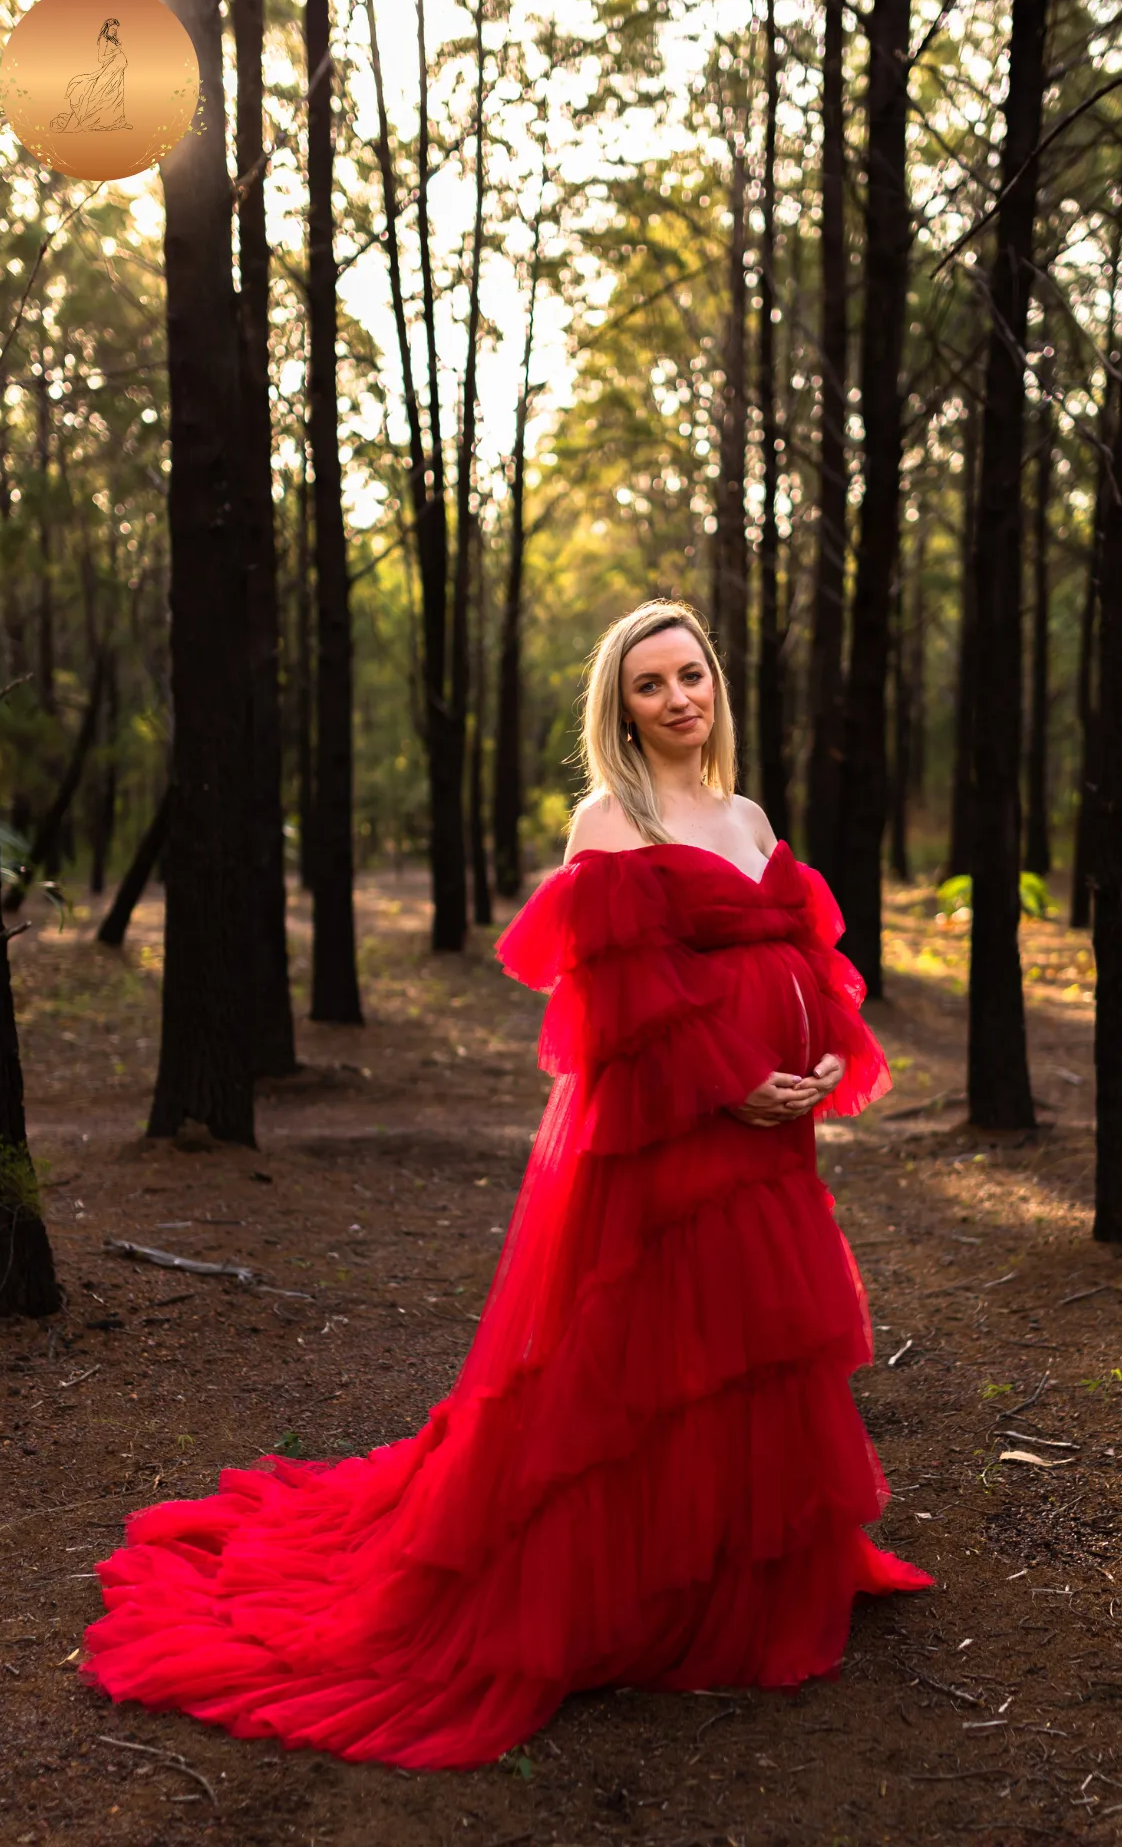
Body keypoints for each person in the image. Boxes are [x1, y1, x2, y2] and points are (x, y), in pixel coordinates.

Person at [82, 598, 931, 1768]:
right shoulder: (609, 820)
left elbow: (800, 956)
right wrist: (730, 1080)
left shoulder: (745, 813)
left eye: (690, 675)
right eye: (649, 685)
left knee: (750, 1342)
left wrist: (824, 1048)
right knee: (654, 1354)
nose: (677, 697)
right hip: (673, 1138)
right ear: (618, 708)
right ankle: (641, 1585)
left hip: (769, 1142)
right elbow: (614, 1005)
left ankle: (750, 1565)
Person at [50, 16, 132, 133]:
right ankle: (92, 122)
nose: (115, 31)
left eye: (116, 30)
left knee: (116, 99)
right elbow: (101, 58)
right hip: (109, 73)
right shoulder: (104, 40)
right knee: (100, 99)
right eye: (113, 29)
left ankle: (118, 122)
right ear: (107, 29)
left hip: (117, 73)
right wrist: (115, 53)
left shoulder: (113, 40)